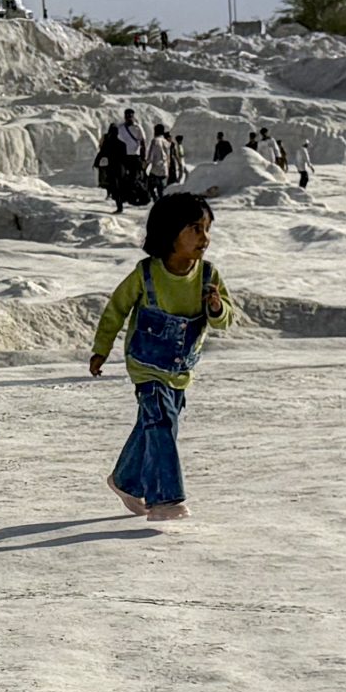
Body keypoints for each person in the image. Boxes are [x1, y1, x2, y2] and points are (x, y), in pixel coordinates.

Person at [88, 191, 233, 525]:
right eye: (195, 229)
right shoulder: (146, 274)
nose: (205, 237)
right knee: (162, 422)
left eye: (207, 229)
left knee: (156, 425)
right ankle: (165, 499)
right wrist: (101, 349)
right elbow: (116, 310)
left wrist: (216, 307)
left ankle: (125, 480)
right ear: (169, 232)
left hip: (180, 369)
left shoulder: (208, 276)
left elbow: (224, 320)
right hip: (145, 366)